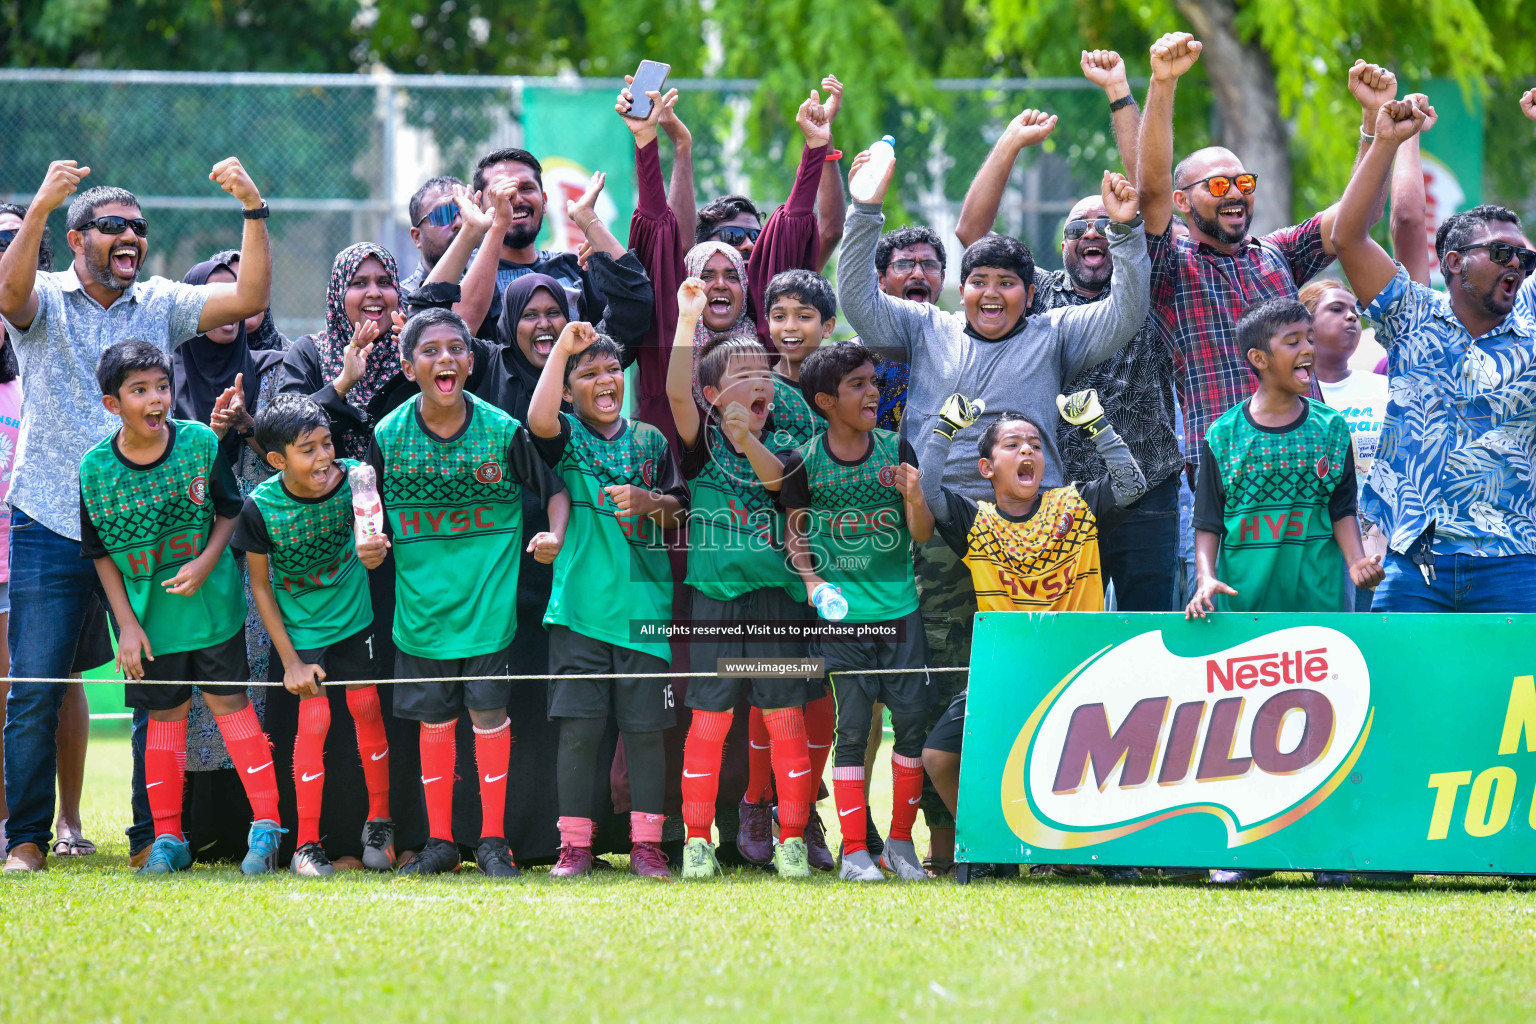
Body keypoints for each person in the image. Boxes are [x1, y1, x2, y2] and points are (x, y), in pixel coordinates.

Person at [839, 148, 1147, 872]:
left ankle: (1060, 834)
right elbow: (856, 297)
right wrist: (865, 211)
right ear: (961, 288)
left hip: (1040, 540)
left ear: (1028, 294)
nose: (991, 293)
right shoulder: (926, 328)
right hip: (942, 533)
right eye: (978, 280)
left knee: (1047, 687)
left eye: (1007, 282)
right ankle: (962, 845)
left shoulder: (1056, 335)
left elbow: (1128, 309)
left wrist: (1127, 232)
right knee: (951, 690)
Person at [0, 157, 271, 873]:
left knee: (155, 688)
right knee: (36, 690)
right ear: (78, 234)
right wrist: (38, 209)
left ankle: (154, 835)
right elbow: (8, 291)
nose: (131, 237)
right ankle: (25, 837)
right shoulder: (47, 299)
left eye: (139, 228)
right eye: (114, 225)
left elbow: (248, 295)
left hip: (144, 534)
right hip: (51, 519)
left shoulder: (159, 301)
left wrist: (253, 209)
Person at [1136, 32, 1399, 480]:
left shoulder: (1275, 253)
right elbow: (1152, 188)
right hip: (1229, 465)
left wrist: (1372, 123)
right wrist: (1163, 84)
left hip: (1312, 456)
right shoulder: (1170, 263)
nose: (1235, 192)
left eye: (1244, 183)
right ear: (1183, 202)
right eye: (1218, 185)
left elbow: (1359, 217)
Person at [366, 308, 564, 878]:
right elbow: (369, 515)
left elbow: (554, 494)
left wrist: (553, 533)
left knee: (489, 716)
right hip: (421, 614)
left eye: (456, 348)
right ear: (408, 366)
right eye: (429, 351)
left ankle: (495, 841)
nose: (445, 358)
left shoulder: (503, 431)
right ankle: (440, 842)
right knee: (434, 726)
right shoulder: (388, 435)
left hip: (489, 612)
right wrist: (372, 545)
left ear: (471, 362)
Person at [917, 390, 1148, 872]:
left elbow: (1131, 484)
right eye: (1013, 445)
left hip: (1079, 671)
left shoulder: (1075, 505)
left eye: (1036, 445)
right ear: (987, 469)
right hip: (1005, 674)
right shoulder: (974, 522)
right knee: (938, 757)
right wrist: (943, 431)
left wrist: (1097, 425)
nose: (1027, 452)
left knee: (1083, 767)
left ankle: (1088, 854)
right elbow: (929, 491)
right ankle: (990, 843)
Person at [80, 340, 285, 875]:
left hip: (214, 612)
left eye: (163, 386)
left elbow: (228, 511)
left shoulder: (197, 443)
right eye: (139, 390)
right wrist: (125, 623)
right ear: (112, 404)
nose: (156, 399)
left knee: (231, 710)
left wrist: (204, 563)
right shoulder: (95, 470)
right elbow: (99, 554)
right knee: (164, 719)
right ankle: (168, 838)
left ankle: (266, 828)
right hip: (151, 626)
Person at [1332, 95, 1536, 612]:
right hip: (1412, 563)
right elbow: (1350, 236)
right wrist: (1388, 141)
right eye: (1501, 253)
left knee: (1511, 693)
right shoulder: (1411, 315)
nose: (1517, 263)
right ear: (1453, 262)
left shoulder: (1531, 321)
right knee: (1404, 691)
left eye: (1525, 256)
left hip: (1515, 560)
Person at [666, 279, 818, 879]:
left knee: (785, 719)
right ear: (713, 393)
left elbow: (781, 484)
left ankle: (793, 841)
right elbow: (676, 391)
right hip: (714, 603)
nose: (760, 384)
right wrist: (686, 322)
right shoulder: (699, 446)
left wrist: (748, 436)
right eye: (743, 375)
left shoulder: (786, 437)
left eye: (766, 375)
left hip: (778, 601)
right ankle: (697, 841)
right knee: (710, 720)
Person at [528, 321, 687, 880]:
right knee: (580, 732)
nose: (603, 381)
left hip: (645, 614)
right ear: (570, 389)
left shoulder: (650, 441)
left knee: (646, 733)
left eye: (611, 371)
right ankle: (574, 847)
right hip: (578, 612)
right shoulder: (565, 436)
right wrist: (564, 352)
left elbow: (679, 510)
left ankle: (647, 845)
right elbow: (537, 420)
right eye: (588, 374)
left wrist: (648, 501)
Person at [769, 341, 933, 883]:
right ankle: (856, 850)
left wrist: (914, 499)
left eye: (873, 383)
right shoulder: (805, 462)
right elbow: (794, 535)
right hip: (842, 621)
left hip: (901, 611)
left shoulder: (897, 449)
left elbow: (922, 534)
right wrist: (814, 583)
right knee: (856, 728)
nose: (872, 393)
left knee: (909, 724)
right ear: (825, 400)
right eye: (857, 385)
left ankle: (902, 846)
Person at [618, 78, 836, 439]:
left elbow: (793, 227)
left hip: (750, 487)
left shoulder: (764, 334)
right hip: (667, 486)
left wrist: (816, 147)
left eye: (732, 275)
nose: (719, 283)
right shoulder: (669, 326)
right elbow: (658, 225)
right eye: (707, 274)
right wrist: (645, 140)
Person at [234, 394, 394, 876]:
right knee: (314, 723)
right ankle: (306, 843)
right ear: (278, 460)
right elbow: (259, 587)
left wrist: (376, 551)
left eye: (326, 443)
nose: (323, 457)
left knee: (367, 709)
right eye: (309, 449)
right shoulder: (260, 508)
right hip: (302, 632)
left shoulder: (357, 477)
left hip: (355, 620)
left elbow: (374, 536)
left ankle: (380, 824)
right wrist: (291, 662)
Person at [466, 148, 653, 344]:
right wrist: (498, 225)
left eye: (527, 188)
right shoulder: (465, 272)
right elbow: (461, 334)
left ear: (544, 202)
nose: (517, 199)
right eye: (502, 192)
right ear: (480, 208)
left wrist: (588, 219)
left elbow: (632, 314)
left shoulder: (574, 268)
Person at [1300, 279, 1389, 611]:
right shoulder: (1290, 400)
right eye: (1336, 309)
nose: (1352, 317)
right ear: (1305, 324)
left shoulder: (1385, 389)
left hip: (1383, 553)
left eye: (1354, 311)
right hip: (1317, 553)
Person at [869, 226, 948, 433]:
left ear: (943, 277)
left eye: (929, 265)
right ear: (880, 279)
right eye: (904, 265)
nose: (918, 274)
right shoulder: (856, 355)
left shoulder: (960, 350)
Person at [401, 175, 467, 297]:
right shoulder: (403, 298)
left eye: (466, 212)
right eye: (443, 215)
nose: (459, 223)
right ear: (417, 237)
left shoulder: (494, 285)